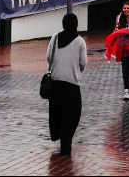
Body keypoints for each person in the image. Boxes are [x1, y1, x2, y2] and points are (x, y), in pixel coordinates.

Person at [46, 13, 87, 157]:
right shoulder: (80, 41)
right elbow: (83, 63)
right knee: (72, 115)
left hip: (55, 83)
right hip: (72, 84)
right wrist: (75, 68)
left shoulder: (55, 37)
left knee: (57, 112)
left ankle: (59, 137)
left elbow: (48, 57)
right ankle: (66, 144)